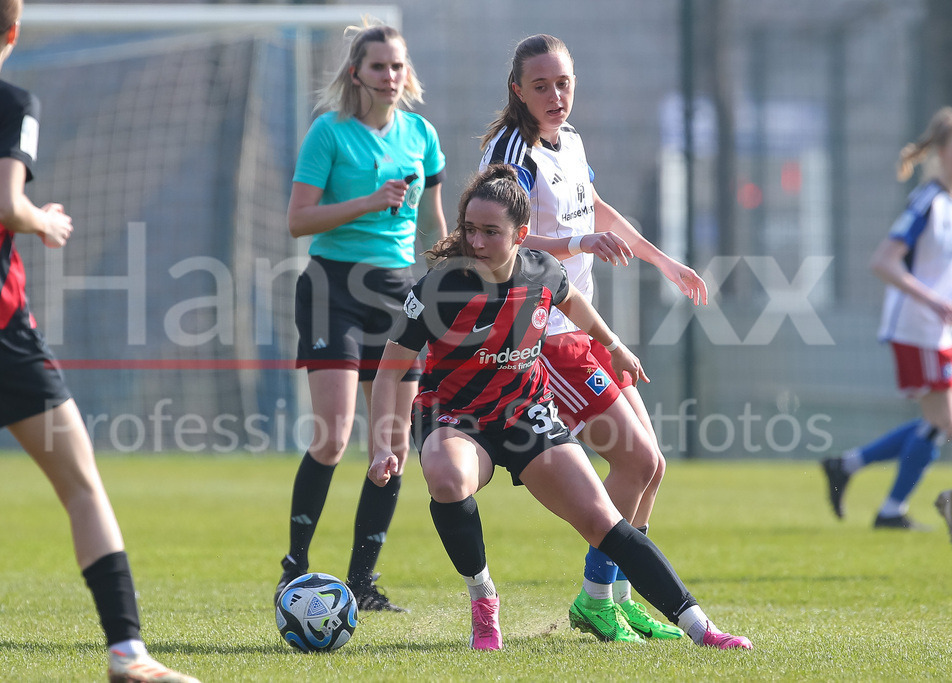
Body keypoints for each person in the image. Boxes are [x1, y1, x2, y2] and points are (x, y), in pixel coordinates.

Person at [367, 164, 751, 651]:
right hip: (455, 418)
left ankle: (702, 628)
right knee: (447, 479)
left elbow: (574, 304)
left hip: (527, 413)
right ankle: (484, 602)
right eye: (469, 229)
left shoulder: (542, 270)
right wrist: (385, 444)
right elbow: (390, 369)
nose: (477, 241)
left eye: (491, 232)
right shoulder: (439, 287)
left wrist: (612, 344)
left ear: (520, 234)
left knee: (602, 519)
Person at [0, 2, 199, 682]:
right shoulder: (12, 102)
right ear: (12, 33)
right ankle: (128, 654)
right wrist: (40, 220)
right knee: (80, 486)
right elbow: (1, 204)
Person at [479, 34, 709, 641]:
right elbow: (494, 238)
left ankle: (617, 596)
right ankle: (596, 599)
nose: (556, 96)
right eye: (541, 86)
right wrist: (576, 245)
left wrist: (664, 262)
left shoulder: (571, 142)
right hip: (543, 332)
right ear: (517, 91)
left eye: (564, 83)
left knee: (650, 465)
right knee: (633, 459)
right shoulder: (511, 151)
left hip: (581, 327)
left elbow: (596, 209)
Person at [277, 21, 447, 612]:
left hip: (399, 293)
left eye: (398, 66)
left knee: (392, 443)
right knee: (332, 434)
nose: (390, 77)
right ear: (357, 73)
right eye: (379, 67)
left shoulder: (422, 135)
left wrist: (451, 279)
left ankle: (362, 583)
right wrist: (370, 202)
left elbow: (433, 225)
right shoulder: (329, 133)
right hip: (333, 287)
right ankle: (294, 565)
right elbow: (298, 221)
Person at [822, 107, 952, 530]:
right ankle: (894, 508)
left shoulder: (946, 204)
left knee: (935, 422)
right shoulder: (928, 202)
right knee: (942, 421)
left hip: (936, 329)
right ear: (944, 152)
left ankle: (852, 467)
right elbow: (884, 261)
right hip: (919, 329)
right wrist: (932, 301)